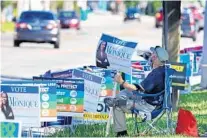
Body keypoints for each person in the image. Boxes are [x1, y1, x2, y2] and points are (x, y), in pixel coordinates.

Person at [104, 46, 169, 137]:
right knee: (124, 93)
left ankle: (122, 133)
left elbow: (137, 88)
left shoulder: (155, 74)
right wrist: (138, 52)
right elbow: (148, 58)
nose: (151, 56)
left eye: (153, 54)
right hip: (157, 101)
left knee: (117, 105)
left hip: (148, 106)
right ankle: (117, 100)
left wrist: (121, 82)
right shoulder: (164, 69)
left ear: (154, 57)